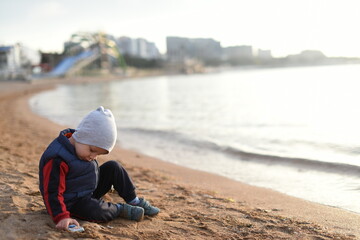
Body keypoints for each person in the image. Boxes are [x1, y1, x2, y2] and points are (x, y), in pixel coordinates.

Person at [39, 106, 159, 230]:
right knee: (94, 209)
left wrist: (92, 154)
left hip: (87, 188)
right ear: (81, 136)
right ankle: (119, 209)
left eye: (98, 154)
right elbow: (52, 192)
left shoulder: (83, 147)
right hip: (70, 202)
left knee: (113, 166)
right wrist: (62, 216)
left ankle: (134, 200)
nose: (94, 157)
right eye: (92, 150)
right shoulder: (57, 159)